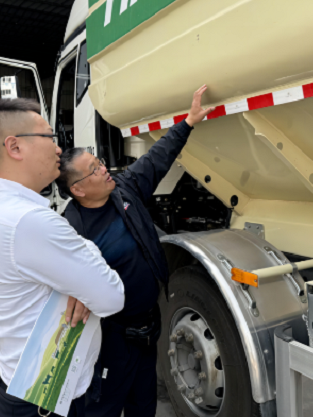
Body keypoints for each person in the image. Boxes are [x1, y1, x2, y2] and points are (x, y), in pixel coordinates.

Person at [57, 85, 214, 417]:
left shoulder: (124, 189)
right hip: (111, 340)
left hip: (147, 331)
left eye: (100, 162)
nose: (104, 169)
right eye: (95, 169)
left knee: (144, 405)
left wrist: (188, 122)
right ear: (78, 188)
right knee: (104, 409)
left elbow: (156, 159)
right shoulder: (70, 230)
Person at [0, 98, 125, 417]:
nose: (58, 148)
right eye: (48, 137)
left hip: (18, 387)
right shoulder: (30, 222)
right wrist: (85, 263)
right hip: (44, 402)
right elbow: (111, 297)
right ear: (14, 147)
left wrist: (78, 276)